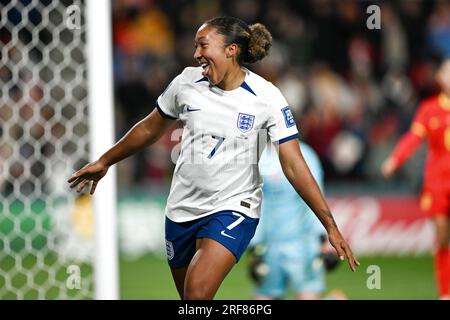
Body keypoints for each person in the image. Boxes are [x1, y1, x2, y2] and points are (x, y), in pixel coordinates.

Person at [68, 16, 359, 300]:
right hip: (181, 210)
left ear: (231, 50)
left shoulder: (267, 98)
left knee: (196, 295)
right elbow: (149, 128)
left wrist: (329, 226)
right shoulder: (185, 82)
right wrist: (105, 161)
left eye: (203, 45)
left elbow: (294, 166)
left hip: (234, 208)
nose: (196, 54)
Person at [381, 57, 450, 300]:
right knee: (442, 237)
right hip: (438, 182)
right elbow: (413, 138)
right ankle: (445, 293)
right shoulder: (429, 109)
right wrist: (395, 159)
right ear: (441, 79)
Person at [248, 141, 342, 300]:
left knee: (307, 296)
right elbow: (256, 204)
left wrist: (323, 238)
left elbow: (316, 198)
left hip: (302, 243)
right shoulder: (259, 156)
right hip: (270, 246)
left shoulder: (306, 155)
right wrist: (254, 246)